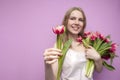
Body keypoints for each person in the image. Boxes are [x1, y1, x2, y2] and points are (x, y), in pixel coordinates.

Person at [43, 7, 103, 80]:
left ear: (83, 24)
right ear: (66, 21)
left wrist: (98, 58)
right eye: (72, 18)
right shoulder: (60, 46)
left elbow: (99, 70)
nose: (77, 22)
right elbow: (52, 79)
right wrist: (47, 66)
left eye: (80, 20)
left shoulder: (87, 43)